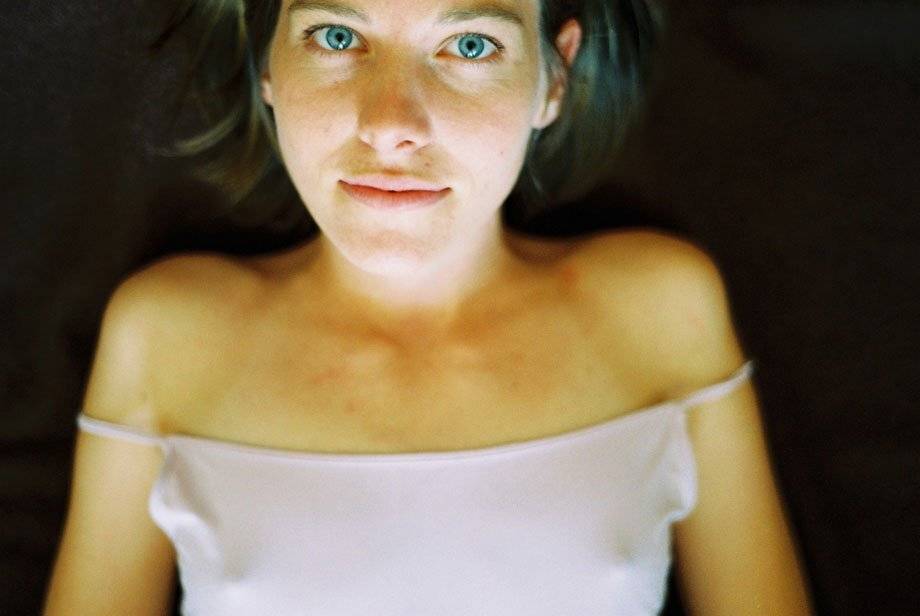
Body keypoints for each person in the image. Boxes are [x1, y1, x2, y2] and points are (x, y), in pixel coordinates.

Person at [43, 1, 816, 614]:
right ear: (268, 63)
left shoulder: (661, 309)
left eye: (470, 46)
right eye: (336, 36)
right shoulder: (167, 334)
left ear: (554, 78)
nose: (390, 125)